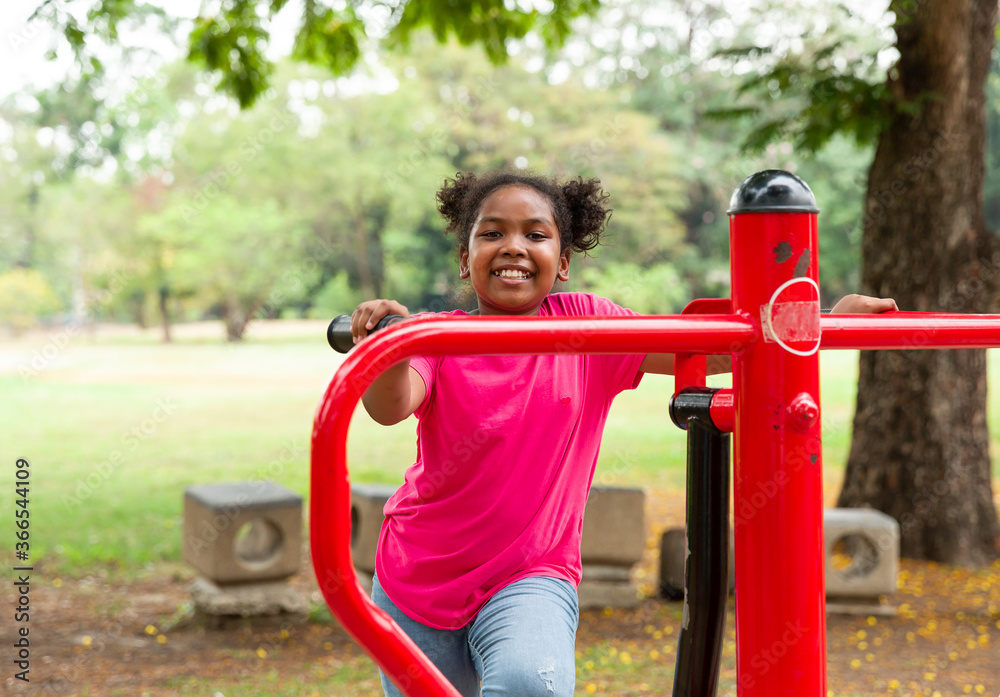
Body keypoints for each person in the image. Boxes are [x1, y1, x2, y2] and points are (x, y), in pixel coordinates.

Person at [348, 169, 896, 697]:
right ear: (465, 261)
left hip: (529, 572)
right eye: (492, 233)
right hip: (416, 577)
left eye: (535, 234)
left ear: (562, 263)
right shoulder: (439, 337)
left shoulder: (587, 329)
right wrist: (388, 343)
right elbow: (390, 406)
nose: (514, 246)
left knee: (528, 683)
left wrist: (825, 319)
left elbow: (716, 344)